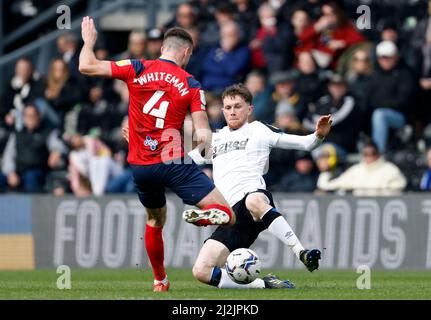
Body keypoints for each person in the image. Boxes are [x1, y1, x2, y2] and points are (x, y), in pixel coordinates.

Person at [78, 16, 235, 292]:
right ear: (185, 52)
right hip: (173, 160)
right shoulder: (191, 83)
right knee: (227, 214)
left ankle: (159, 280)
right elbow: (203, 134)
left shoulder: (137, 67)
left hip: (140, 165)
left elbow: (85, 65)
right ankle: (208, 214)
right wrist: (203, 151)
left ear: (163, 48)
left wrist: (89, 42)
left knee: (154, 219)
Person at [187, 84, 332, 289]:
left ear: (249, 109)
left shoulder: (260, 130)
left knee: (254, 200)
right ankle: (264, 285)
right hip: (230, 216)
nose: (232, 111)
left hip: (253, 199)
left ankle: (302, 253)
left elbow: (305, 144)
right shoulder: (214, 139)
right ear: (222, 110)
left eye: (237, 106)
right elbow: (181, 160)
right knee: (201, 271)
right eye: (227, 107)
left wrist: (319, 135)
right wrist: (148, 149)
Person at [317, 141, 407, 196]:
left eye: (372, 153)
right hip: (360, 214)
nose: (369, 157)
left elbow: (398, 192)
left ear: (378, 154)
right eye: (366, 154)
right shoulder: (357, 170)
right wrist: (325, 171)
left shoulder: (390, 170)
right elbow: (332, 185)